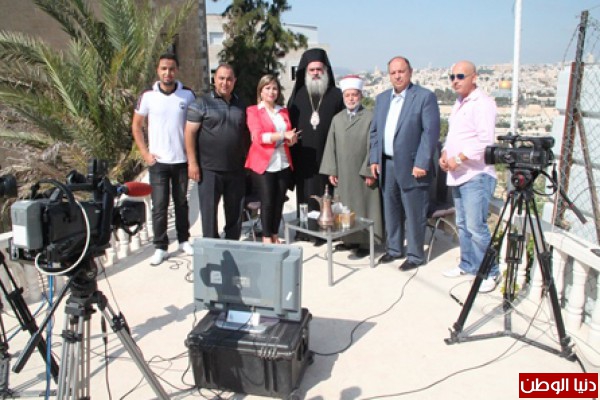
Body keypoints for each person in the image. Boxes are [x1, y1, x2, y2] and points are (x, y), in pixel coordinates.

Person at [369, 56, 440, 270]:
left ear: (410, 72)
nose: (397, 76)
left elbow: (430, 133)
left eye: (401, 71)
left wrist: (422, 162)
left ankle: (416, 255)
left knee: (414, 211)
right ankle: (394, 249)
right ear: (388, 75)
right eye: (393, 72)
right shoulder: (382, 99)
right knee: (391, 208)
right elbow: (375, 132)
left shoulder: (424, 97)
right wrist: (374, 158)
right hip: (387, 164)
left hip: (413, 166)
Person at [440, 60, 499, 293]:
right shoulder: (459, 103)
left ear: (474, 77)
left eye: (460, 76)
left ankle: (490, 272)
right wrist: (445, 154)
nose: (455, 81)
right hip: (458, 174)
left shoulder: (482, 103)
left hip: (476, 174)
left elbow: (485, 142)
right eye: (452, 77)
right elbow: (453, 136)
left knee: (476, 227)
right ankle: (468, 264)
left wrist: (460, 158)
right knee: (463, 224)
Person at [132, 53, 196, 266]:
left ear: (176, 70)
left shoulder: (187, 95)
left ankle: (184, 240)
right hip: (158, 163)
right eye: (163, 69)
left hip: (181, 161)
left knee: (181, 203)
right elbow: (136, 126)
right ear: (158, 71)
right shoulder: (148, 96)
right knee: (159, 205)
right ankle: (160, 246)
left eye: (171, 69)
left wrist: (192, 157)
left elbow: (195, 126)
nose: (167, 73)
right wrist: (145, 153)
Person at [320, 75, 384, 257]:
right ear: (343, 97)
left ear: (361, 96)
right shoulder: (337, 119)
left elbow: (374, 145)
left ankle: (365, 242)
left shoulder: (370, 117)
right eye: (347, 95)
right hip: (343, 172)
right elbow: (330, 145)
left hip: (362, 172)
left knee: (364, 206)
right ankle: (348, 240)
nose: (351, 99)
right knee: (344, 206)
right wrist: (331, 170)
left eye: (354, 95)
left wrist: (369, 170)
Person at [184, 63, 249, 240]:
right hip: (209, 170)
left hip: (236, 169)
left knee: (235, 214)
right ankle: (212, 248)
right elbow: (189, 133)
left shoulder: (241, 105)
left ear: (234, 81)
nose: (225, 83)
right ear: (214, 79)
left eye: (229, 79)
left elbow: (247, 133)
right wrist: (192, 163)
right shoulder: (201, 103)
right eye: (221, 78)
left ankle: (232, 244)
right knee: (209, 215)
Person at [287, 48, 344, 237]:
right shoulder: (297, 97)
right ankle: (305, 231)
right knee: (305, 196)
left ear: (326, 70)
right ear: (306, 71)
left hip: (328, 157)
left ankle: (326, 230)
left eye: (319, 69)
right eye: (312, 70)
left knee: (327, 195)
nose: (316, 73)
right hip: (304, 158)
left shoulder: (336, 95)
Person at [245, 74, 299, 244]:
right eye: (267, 88)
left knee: (279, 200)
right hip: (263, 163)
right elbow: (258, 137)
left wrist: (291, 140)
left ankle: (275, 234)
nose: (271, 91)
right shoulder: (253, 111)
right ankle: (266, 237)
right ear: (260, 92)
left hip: (283, 161)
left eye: (274, 88)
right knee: (267, 202)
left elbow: (288, 136)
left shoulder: (283, 111)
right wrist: (283, 135)